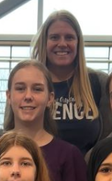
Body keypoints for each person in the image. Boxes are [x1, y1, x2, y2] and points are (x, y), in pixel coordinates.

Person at [31, 10, 107, 154]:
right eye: (54, 37)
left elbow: (111, 137)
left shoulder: (99, 82)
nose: (62, 43)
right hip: (36, 167)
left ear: (78, 42)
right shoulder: (26, 82)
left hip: (86, 168)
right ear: (44, 42)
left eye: (69, 37)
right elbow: (11, 131)